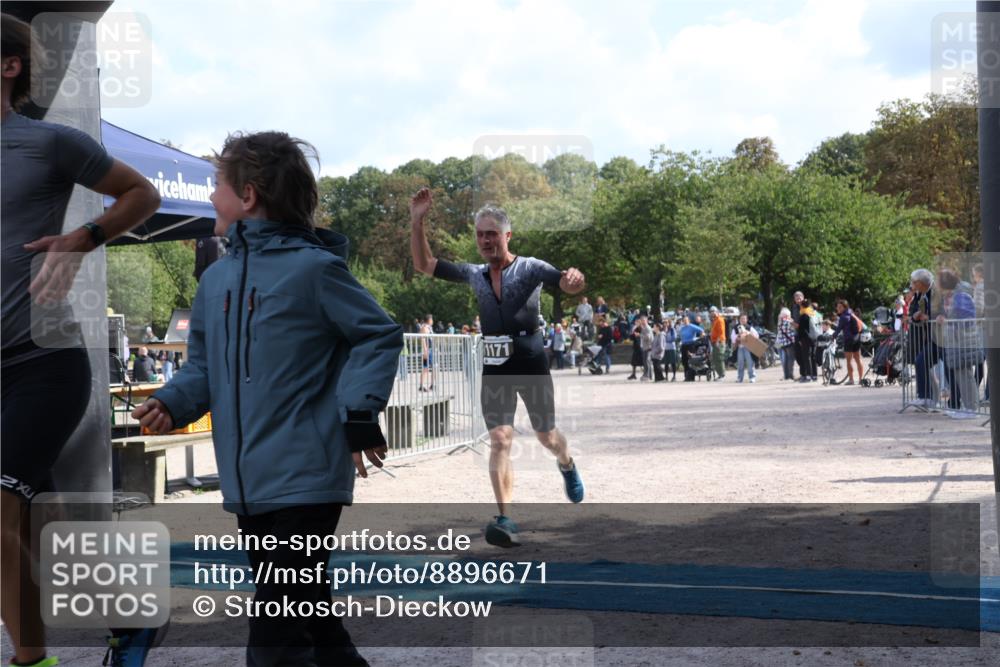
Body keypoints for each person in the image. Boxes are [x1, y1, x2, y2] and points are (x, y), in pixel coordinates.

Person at [134, 131, 401, 666]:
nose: (212, 197)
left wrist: (358, 414)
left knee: (277, 629)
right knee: (312, 621)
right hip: (249, 482)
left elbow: (378, 335)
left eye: (218, 186)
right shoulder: (215, 280)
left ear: (248, 196)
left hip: (306, 479)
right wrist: (172, 401)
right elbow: (204, 368)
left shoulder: (315, 269)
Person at [1, 13, 162, 667]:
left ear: (8, 66)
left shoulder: (49, 144)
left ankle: (32, 661)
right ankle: (126, 616)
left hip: (45, 361)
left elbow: (140, 192)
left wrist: (83, 237)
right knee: (30, 524)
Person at [410, 188, 585, 547]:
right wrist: (417, 221)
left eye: (492, 233)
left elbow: (563, 282)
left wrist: (572, 282)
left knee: (546, 436)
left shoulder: (531, 267)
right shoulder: (474, 274)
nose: (486, 240)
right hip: (495, 366)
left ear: (507, 236)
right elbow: (424, 265)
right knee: (500, 439)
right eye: (480, 234)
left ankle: (566, 462)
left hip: (531, 361)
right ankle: (505, 518)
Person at [937, 268, 981, 417]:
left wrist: (947, 321)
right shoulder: (955, 294)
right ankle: (968, 407)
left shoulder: (960, 295)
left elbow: (965, 318)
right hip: (957, 340)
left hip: (963, 341)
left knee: (965, 375)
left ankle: (971, 409)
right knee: (962, 375)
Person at [908, 269, 939, 406]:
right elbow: (916, 312)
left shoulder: (937, 292)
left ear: (920, 282)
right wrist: (916, 316)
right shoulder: (921, 294)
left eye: (914, 282)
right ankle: (925, 397)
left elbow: (943, 312)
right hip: (932, 338)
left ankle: (957, 404)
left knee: (951, 371)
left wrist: (928, 317)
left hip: (944, 337)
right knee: (920, 362)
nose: (912, 285)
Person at [832, 299, 864, 385]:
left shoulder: (843, 317)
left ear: (844, 307)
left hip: (849, 340)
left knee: (849, 361)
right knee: (858, 359)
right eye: (837, 307)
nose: (838, 308)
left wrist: (832, 336)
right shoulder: (852, 313)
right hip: (857, 338)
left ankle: (851, 380)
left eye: (840, 307)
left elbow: (838, 329)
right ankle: (861, 379)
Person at [794, 297, 818, 382]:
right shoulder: (813, 314)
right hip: (815, 337)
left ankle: (808, 375)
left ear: (802, 307)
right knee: (813, 356)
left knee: (806, 356)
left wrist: (800, 339)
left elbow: (801, 329)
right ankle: (815, 375)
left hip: (806, 338)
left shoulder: (803, 315)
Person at [731, 314, 759, 383]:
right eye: (742, 319)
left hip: (748, 348)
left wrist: (748, 334)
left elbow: (756, 335)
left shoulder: (749, 327)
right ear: (739, 319)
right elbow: (732, 337)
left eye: (744, 319)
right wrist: (738, 337)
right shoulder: (735, 328)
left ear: (746, 320)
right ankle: (740, 378)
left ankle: (752, 377)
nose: (743, 320)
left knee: (750, 363)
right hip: (740, 347)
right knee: (740, 364)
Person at [678, 315, 705, 382]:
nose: (685, 321)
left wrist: (701, 336)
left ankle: (691, 376)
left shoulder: (691, 326)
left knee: (691, 361)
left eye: (686, 320)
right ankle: (686, 376)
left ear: (689, 321)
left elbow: (701, 330)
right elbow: (680, 336)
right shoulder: (682, 328)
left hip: (691, 345)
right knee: (684, 361)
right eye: (684, 320)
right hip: (684, 345)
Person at [776, 307, 796, 381]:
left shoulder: (780, 323)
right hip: (789, 343)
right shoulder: (788, 322)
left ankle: (786, 375)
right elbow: (793, 332)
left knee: (784, 360)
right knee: (790, 360)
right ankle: (790, 375)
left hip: (781, 343)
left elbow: (779, 334)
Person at [708, 307, 727, 380]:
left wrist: (717, 341)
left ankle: (722, 375)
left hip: (719, 342)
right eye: (711, 312)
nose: (712, 313)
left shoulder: (719, 319)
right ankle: (720, 375)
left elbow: (721, 332)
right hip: (714, 342)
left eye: (713, 311)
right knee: (715, 358)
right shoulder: (714, 320)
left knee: (719, 358)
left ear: (717, 311)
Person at [419, 314, 435, 392]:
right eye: (432, 319)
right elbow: (423, 339)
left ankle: (432, 385)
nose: (433, 321)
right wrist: (425, 351)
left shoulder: (429, 328)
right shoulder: (424, 328)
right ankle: (421, 386)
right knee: (426, 368)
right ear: (429, 320)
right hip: (427, 350)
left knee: (434, 367)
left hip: (431, 350)